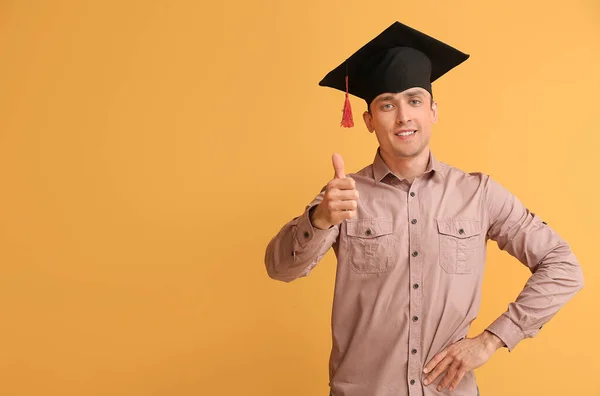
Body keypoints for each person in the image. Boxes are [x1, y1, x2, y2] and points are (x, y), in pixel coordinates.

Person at [264, 21, 584, 396]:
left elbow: (563, 265)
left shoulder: (478, 194)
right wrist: (319, 220)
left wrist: (493, 339)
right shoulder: (343, 195)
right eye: (387, 105)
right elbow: (280, 269)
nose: (403, 117)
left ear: (433, 110)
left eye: (414, 101)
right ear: (368, 120)